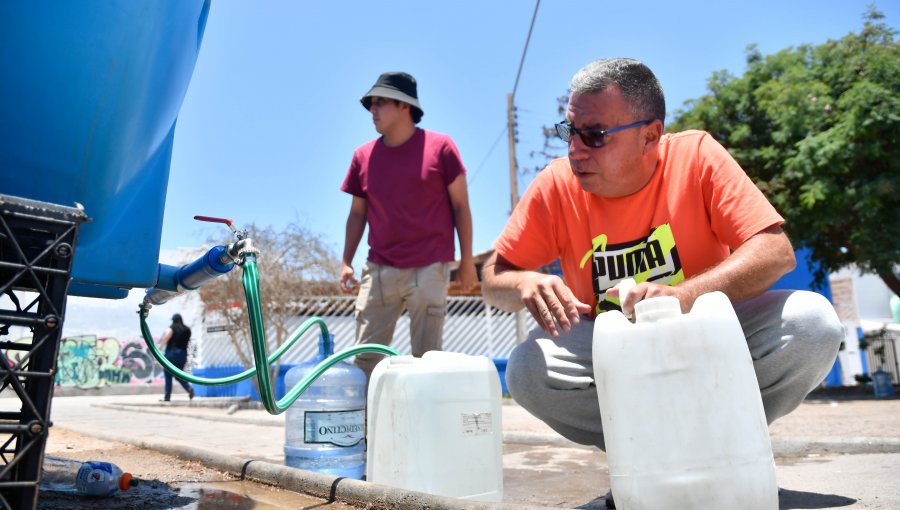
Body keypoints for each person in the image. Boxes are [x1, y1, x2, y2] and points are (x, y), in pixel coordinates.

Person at [481, 58, 843, 508]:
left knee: (813, 325)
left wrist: (682, 295)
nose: (575, 150)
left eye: (594, 135)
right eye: (568, 131)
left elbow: (775, 252)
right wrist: (523, 284)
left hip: (709, 333)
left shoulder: (696, 155)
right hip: (610, 349)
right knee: (529, 372)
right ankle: (649, 461)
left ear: (650, 135)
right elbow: (492, 277)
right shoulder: (556, 185)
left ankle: (725, 452)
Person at [340, 71, 477, 381]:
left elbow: (461, 207)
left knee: (428, 361)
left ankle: (427, 428)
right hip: (379, 271)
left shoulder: (441, 148)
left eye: (380, 103)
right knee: (365, 359)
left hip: (430, 268)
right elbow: (357, 215)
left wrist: (466, 261)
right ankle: (364, 428)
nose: (372, 110)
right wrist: (346, 261)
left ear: (404, 106)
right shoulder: (363, 156)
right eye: (370, 104)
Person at [157, 313, 194, 401]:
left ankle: (167, 396)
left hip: (171, 354)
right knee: (178, 375)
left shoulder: (172, 328)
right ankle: (189, 388)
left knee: (168, 374)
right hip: (183, 355)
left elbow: (166, 338)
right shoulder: (187, 330)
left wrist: (159, 348)